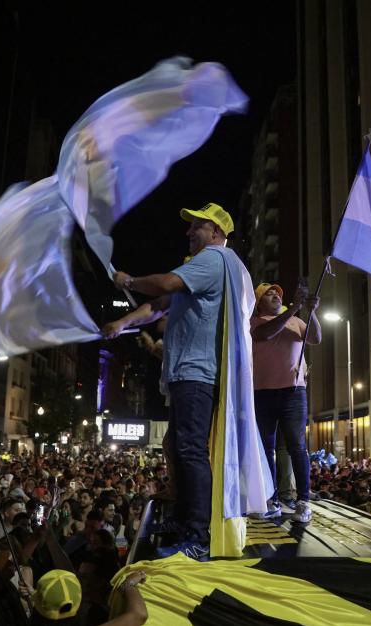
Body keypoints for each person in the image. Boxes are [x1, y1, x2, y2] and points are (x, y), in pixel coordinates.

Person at [104, 202, 267, 559]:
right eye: (190, 226)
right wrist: (122, 323)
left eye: (197, 226)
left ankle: (199, 535)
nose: (189, 232)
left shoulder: (214, 259)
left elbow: (165, 283)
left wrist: (129, 280)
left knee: (191, 450)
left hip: (197, 372)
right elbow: (161, 302)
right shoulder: (213, 265)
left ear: (217, 233)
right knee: (179, 449)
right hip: (187, 372)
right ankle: (185, 521)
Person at [250, 281, 321, 523]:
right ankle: (272, 499)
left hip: (293, 392)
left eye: (278, 294)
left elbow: (316, 337)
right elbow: (266, 334)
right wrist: (294, 308)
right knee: (266, 449)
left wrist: (311, 312)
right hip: (263, 393)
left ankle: (303, 501)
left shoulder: (296, 320)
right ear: (258, 303)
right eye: (269, 294)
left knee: (297, 446)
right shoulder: (254, 323)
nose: (276, 296)